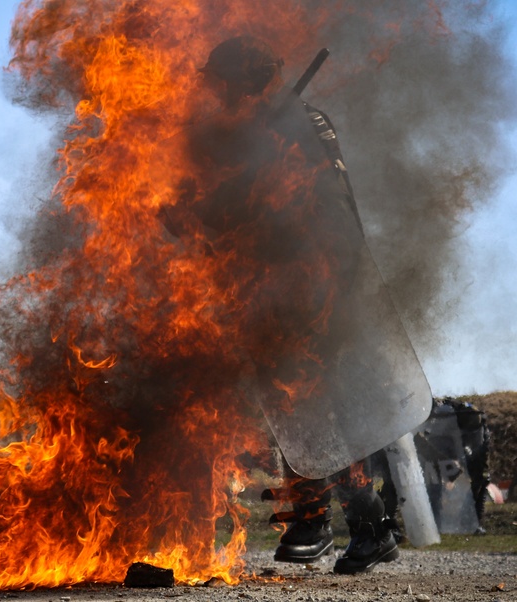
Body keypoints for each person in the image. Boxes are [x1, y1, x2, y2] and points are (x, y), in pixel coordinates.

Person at [160, 36, 398, 574]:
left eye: (220, 81)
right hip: (268, 289)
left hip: (320, 284)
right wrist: (189, 216)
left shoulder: (303, 125)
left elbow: (324, 212)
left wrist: (263, 152)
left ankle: (369, 525)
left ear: (245, 79)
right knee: (290, 408)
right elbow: (232, 222)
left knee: (326, 403)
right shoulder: (240, 135)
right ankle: (312, 523)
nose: (213, 91)